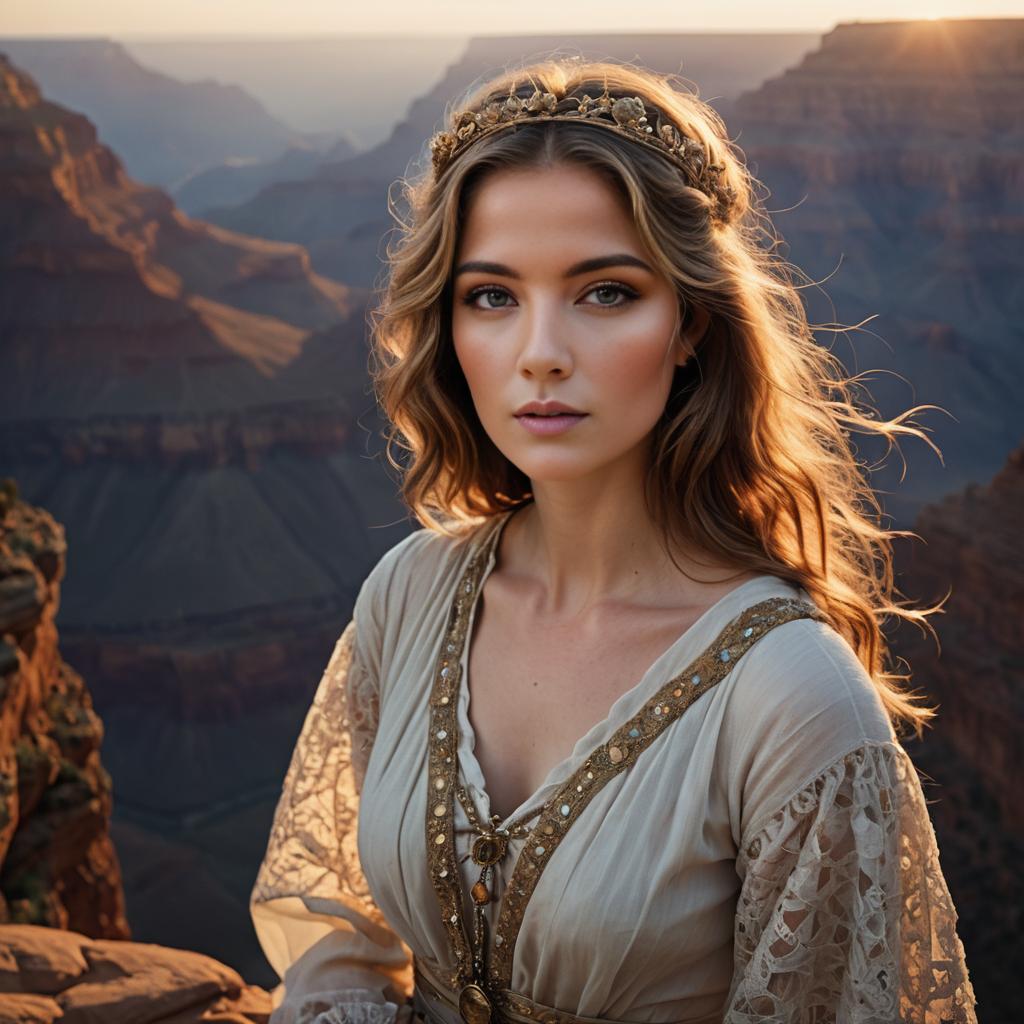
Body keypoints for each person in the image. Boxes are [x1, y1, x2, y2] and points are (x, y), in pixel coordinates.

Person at [249, 57, 977, 1024]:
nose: (540, 350)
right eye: (492, 296)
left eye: (605, 293)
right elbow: (340, 937)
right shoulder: (410, 595)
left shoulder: (791, 701)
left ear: (691, 323)